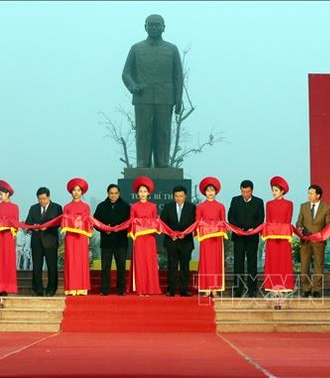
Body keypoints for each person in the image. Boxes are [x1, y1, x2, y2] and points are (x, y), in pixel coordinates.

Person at [122, 14, 183, 168]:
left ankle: (163, 162)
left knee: (163, 132)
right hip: (143, 97)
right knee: (143, 132)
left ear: (164, 27)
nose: (154, 27)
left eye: (158, 25)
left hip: (165, 98)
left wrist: (178, 99)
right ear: (145, 27)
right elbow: (126, 73)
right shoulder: (136, 48)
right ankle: (142, 162)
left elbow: (178, 76)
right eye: (151, 24)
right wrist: (133, 87)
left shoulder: (172, 49)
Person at [228, 180, 264, 297]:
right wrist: (238, 228)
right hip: (238, 237)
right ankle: (238, 289)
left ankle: (252, 289)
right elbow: (230, 217)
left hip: (252, 237)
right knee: (238, 263)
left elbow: (260, 219)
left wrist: (252, 228)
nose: (245, 194)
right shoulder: (235, 200)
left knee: (252, 264)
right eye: (243, 191)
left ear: (252, 191)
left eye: (247, 192)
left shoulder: (259, 202)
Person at [93, 184, 131, 296]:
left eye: (115, 193)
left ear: (119, 194)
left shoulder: (126, 206)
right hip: (106, 241)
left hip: (121, 241)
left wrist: (119, 228)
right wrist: (104, 229)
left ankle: (121, 289)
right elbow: (95, 223)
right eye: (111, 193)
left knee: (121, 266)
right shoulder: (101, 206)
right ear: (108, 194)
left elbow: (130, 222)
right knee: (105, 267)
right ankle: (104, 290)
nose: (113, 195)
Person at [25, 187, 63, 296]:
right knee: (37, 266)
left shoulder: (57, 208)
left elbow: (60, 222)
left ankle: (51, 289)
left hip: (50, 241)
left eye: (44, 198)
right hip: (36, 241)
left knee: (52, 266)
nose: (42, 201)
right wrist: (33, 227)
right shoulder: (33, 208)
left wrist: (48, 227)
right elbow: (28, 223)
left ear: (49, 197)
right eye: (40, 199)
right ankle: (38, 289)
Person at [295, 184, 330, 298]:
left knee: (318, 266)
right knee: (304, 266)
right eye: (308, 193)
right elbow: (299, 222)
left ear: (318, 195)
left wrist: (321, 235)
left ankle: (316, 289)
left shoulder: (326, 208)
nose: (309, 195)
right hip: (305, 240)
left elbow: (329, 224)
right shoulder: (303, 206)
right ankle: (306, 289)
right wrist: (300, 227)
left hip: (319, 241)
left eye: (311, 193)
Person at [160, 186, 196, 297]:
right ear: (173, 196)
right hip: (172, 241)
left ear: (185, 196)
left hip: (186, 242)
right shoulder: (168, 207)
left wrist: (185, 234)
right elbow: (162, 223)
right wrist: (171, 234)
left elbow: (194, 224)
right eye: (176, 196)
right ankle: (171, 290)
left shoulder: (192, 207)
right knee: (172, 266)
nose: (178, 198)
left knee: (185, 267)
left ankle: (184, 290)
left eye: (181, 196)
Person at [128, 176, 162, 295]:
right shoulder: (134, 206)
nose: (142, 193)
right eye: (140, 191)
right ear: (137, 193)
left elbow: (155, 222)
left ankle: (149, 288)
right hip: (139, 239)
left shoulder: (153, 206)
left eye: (144, 191)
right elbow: (131, 222)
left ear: (148, 193)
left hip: (149, 238)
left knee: (149, 262)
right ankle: (140, 289)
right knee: (140, 262)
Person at [61, 178, 92, 296]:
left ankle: (82, 287)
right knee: (71, 260)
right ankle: (71, 288)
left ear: (82, 192)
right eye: (74, 190)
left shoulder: (86, 207)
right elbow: (64, 222)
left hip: (82, 237)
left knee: (81, 261)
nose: (76, 192)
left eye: (78, 190)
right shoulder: (67, 207)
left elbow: (88, 222)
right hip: (70, 237)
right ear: (71, 192)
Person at [195, 177, 226, 297]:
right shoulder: (201, 207)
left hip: (217, 239)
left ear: (216, 191)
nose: (210, 192)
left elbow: (223, 223)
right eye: (208, 190)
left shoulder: (221, 206)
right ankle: (206, 288)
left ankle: (215, 289)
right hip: (206, 239)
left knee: (216, 263)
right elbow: (197, 223)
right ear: (205, 192)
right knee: (206, 263)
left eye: (212, 190)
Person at [263, 176, 294, 293]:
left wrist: (281, 229)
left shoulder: (289, 204)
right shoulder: (269, 204)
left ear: (282, 191)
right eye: (273, 190)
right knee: (272, 261)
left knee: (283, 261)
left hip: (284, 238)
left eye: (276, 190)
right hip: (272, 238)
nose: (273, 192)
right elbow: (268, 221)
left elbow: (288, 221)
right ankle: (272, 285)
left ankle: (284, 285)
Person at [0, 180, 18, 296]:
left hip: (8, 238)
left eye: (1, 194)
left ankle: (7, 287)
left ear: (7, 194)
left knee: (8, 261)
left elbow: (15, 222)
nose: (0, 197)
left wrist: (6, 223)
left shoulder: (14, 207)